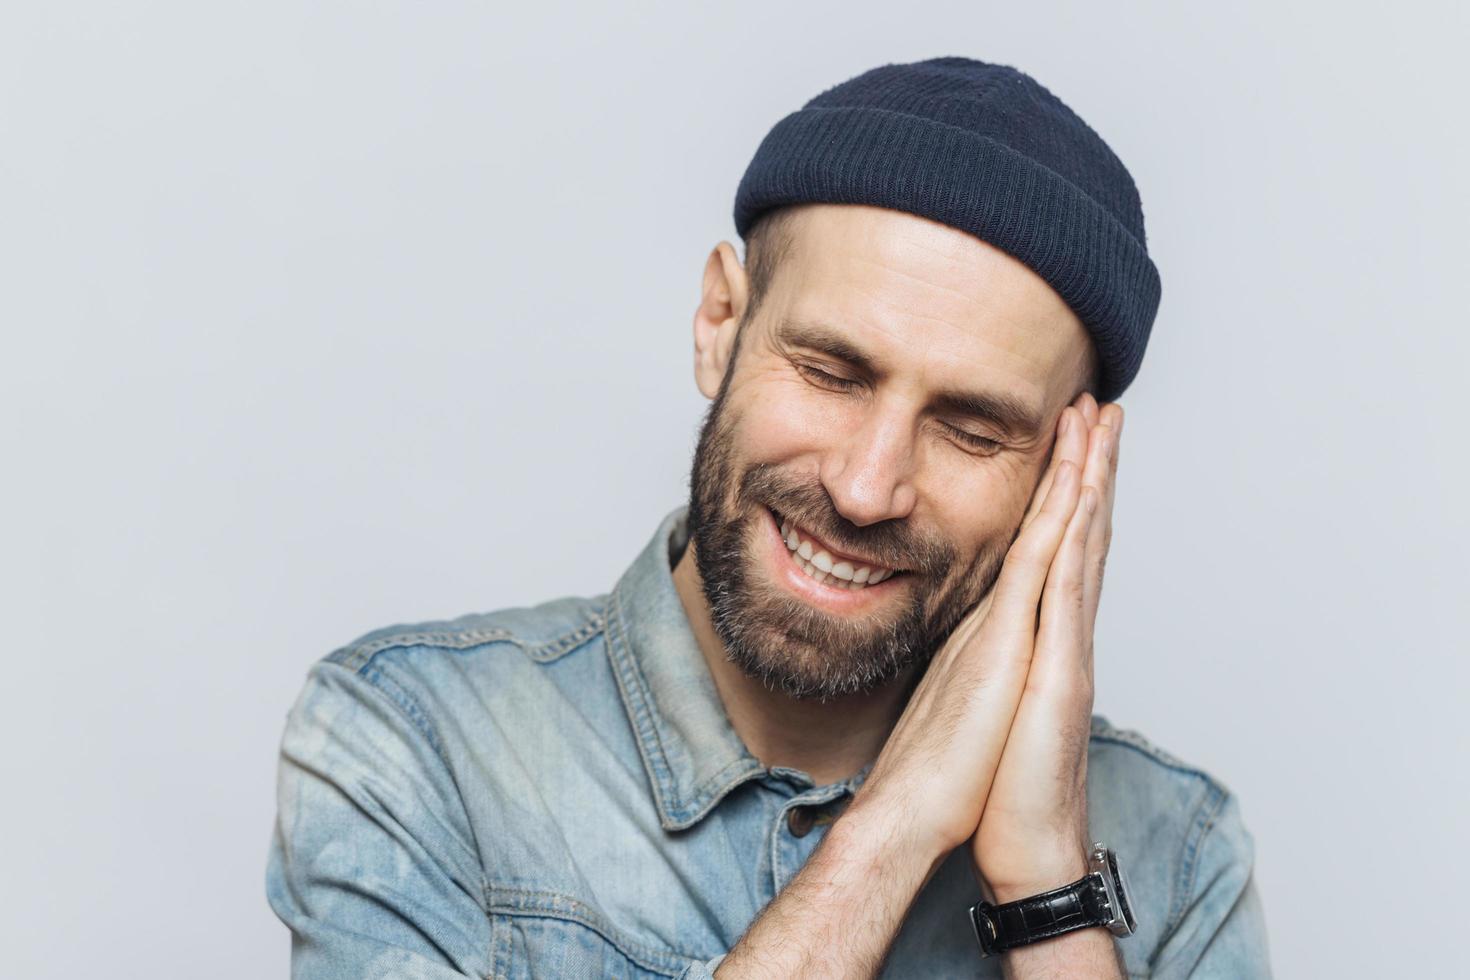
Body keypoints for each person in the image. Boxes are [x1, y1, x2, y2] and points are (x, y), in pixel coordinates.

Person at [266, 56, 1271, 978]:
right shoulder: (414, 741)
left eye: (969, 428)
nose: (866, 487)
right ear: (719, 323)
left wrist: (1049, 886)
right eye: (832, 371)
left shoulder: (1176, 851)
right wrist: (895, 826)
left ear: (1067, 469)